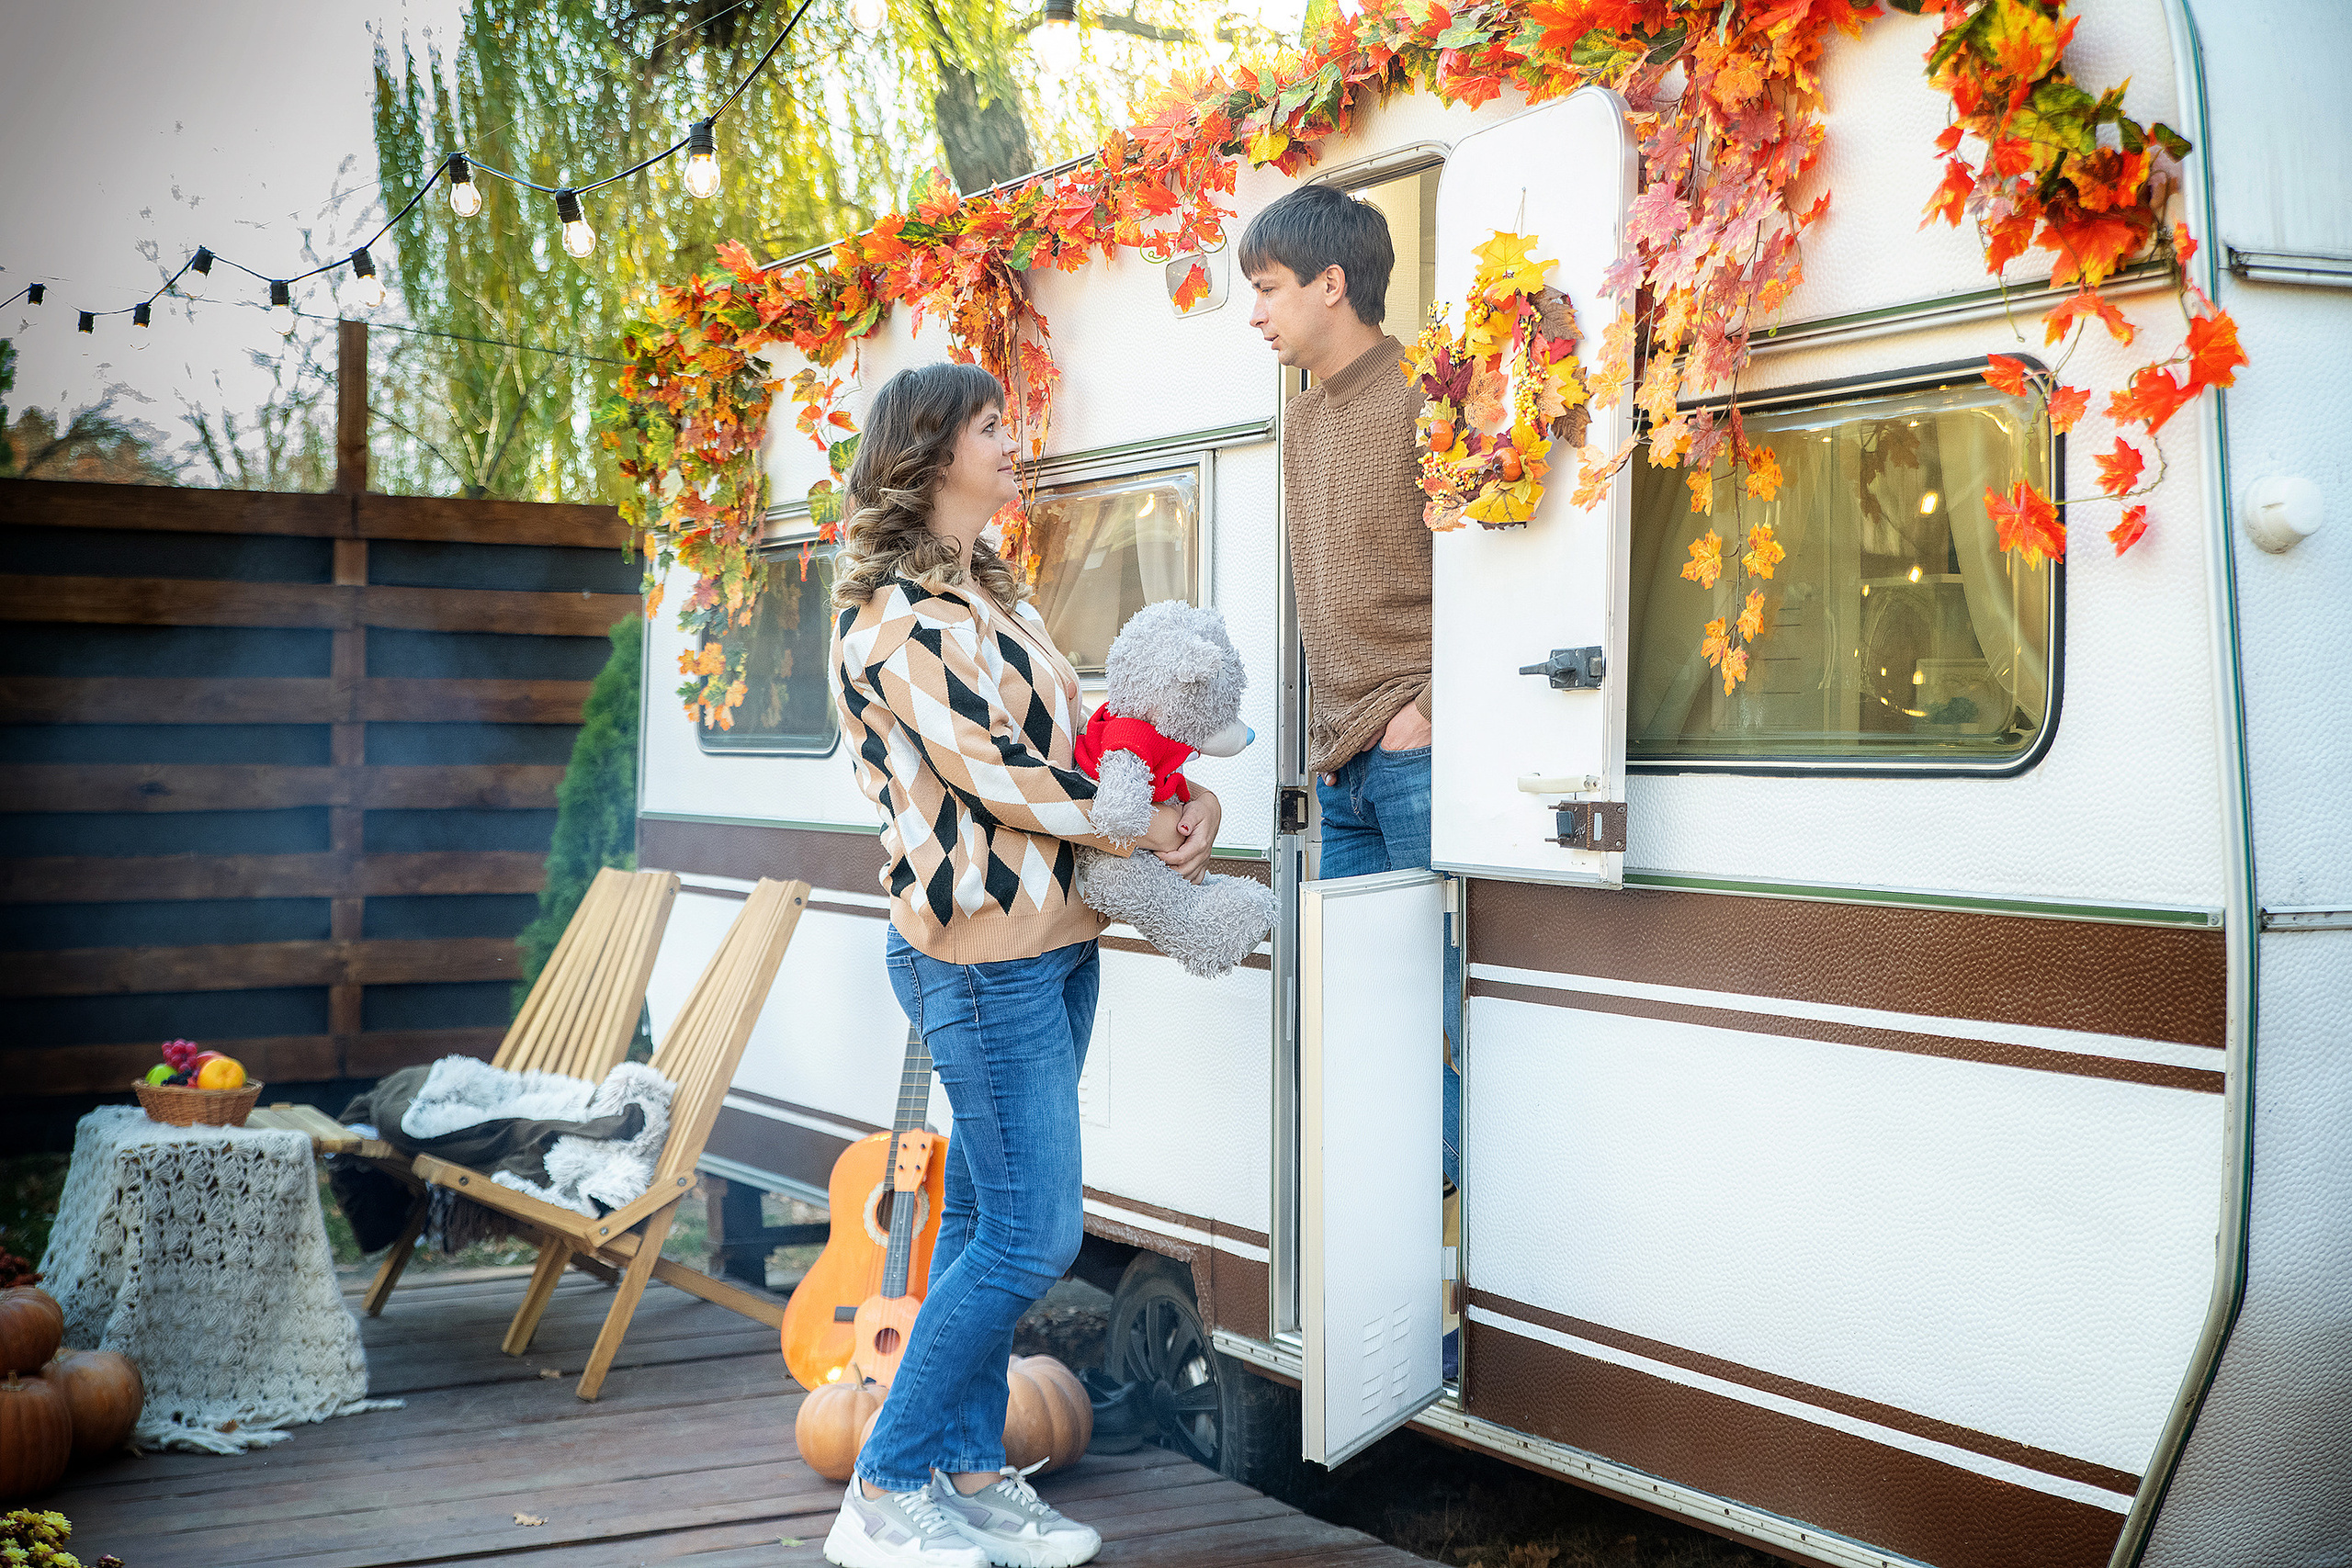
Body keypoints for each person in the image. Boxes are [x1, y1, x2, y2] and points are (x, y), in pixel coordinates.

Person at [820, 361, 1222, 1568]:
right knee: (1033, 1237)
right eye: (991, 426)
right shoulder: (898, 619)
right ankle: (883, 1484)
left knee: (983, 1222)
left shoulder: (992, 593)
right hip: (981, 955)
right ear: (930, 452)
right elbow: (1004, 777)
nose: (1013, 440)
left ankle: (968, 1467)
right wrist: (1139, 824)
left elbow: (1077, 744)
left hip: (1053, 939)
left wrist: (1181, 792)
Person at [1241, 185, 1463, 1322]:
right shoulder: (1300, 422)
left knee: (1442, 1018)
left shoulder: (1427, 393)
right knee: (1366, 1027)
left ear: (1332, 284)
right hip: (1340, 767)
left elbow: (1488, 559)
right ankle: (1389, 1290)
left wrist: (1426, 705)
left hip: (1414, 751)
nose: (1256, 314)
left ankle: (1457, 1281)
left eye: (1268, 289)